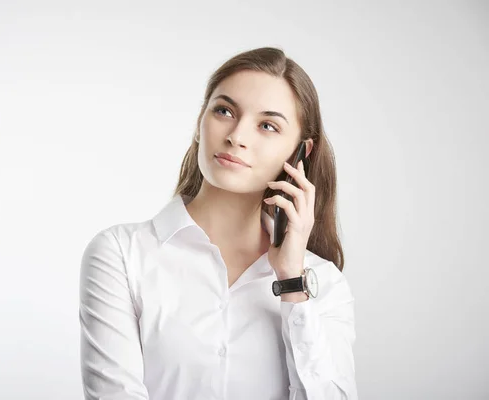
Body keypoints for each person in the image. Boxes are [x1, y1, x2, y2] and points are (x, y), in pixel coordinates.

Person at [79, 47, 358, 400]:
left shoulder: (324, 285)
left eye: (268, 126)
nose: (237, 136)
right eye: (224, 111)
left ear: (301, 153)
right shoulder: (122, 254)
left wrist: (290, 282)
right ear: (200, 121)